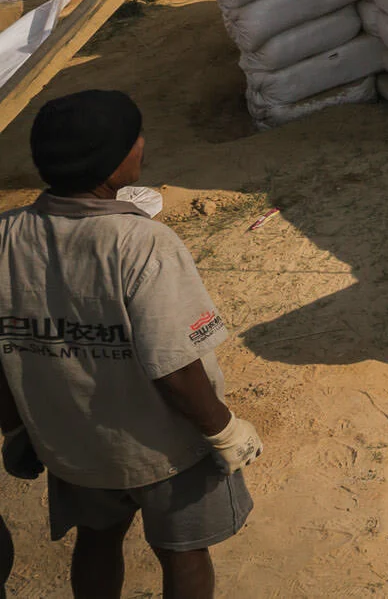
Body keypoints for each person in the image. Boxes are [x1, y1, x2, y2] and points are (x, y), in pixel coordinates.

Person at [0, 91, 260, 599]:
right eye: (134, 137)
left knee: (97, 541)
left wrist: (14, 426)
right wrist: (224, 430)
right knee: (182, 553)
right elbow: (176, 370)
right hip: (165, 450)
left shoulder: (6, 236)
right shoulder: (140, 244)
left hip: (75, 446)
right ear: (113, 159)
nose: (141, 144)